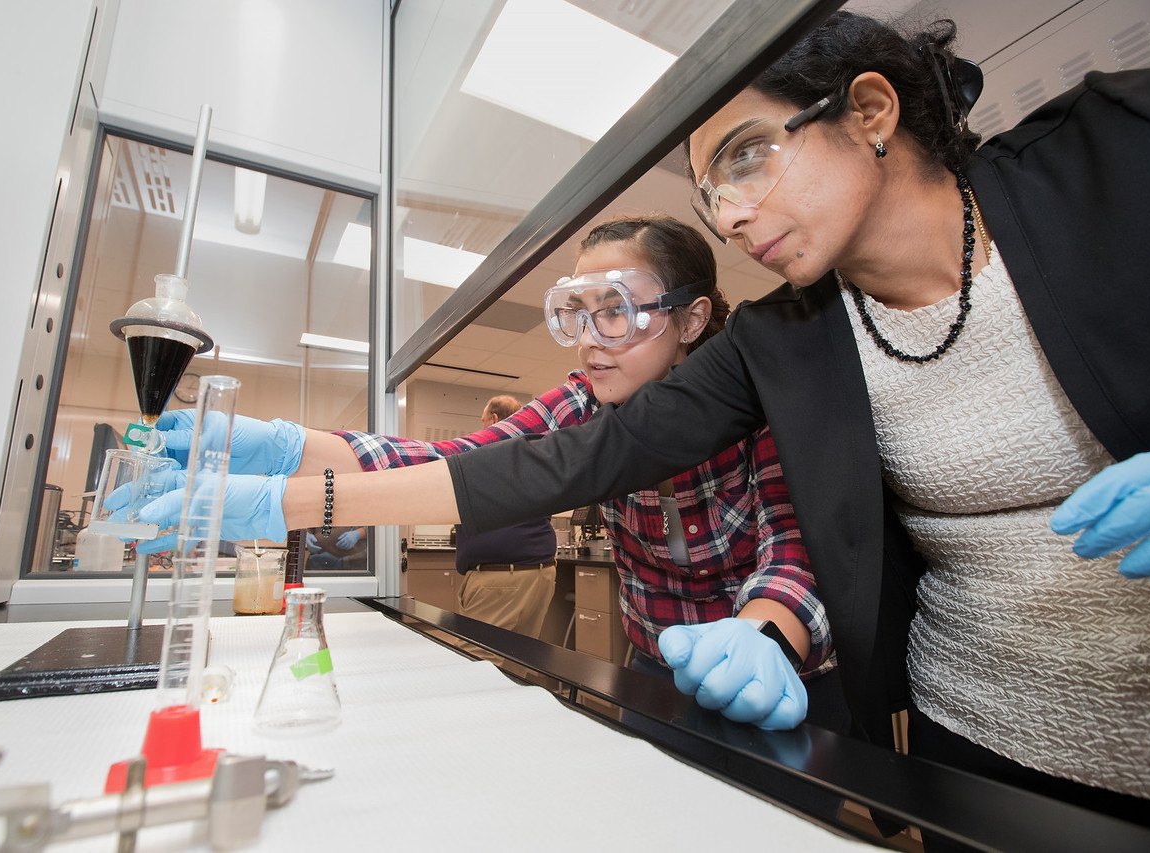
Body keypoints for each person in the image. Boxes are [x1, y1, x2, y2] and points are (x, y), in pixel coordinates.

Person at [139, 11, 1150, 827]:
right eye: (711, 191)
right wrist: (277, 481)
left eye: (749, 159)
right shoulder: (790, 336)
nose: (730, 217)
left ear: (870, 110)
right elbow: (556, 460)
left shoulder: (1118, 152)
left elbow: (797, 549)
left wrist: (763, 624)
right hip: (977, 733)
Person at [140, 215, 844, 734]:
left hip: (771, 666)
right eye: (577, 314)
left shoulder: (755, 402)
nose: (591, 340)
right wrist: (282, 447)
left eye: (617, 312)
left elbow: (795, 543)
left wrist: (760, 634)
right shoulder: (582, 399)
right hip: (656, 667)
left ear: (690, 319)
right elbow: (460, 464)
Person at [451, 394, 558, 639]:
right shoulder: (536, 454)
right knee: (521, 655)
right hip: (539, 572)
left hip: (501, 579)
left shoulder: (485, 457)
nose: (481, 427)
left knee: (479, 656)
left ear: (495, 420)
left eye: (483, 420)